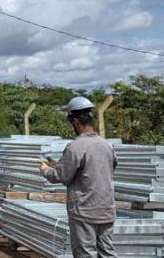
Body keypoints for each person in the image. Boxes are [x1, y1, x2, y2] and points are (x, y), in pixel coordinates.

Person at [39, 96, 118, 258]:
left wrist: (45, 169)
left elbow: (59, 176)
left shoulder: (75, 147)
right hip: (106, 210)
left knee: (85, 254)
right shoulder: (106, 145)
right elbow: (100, 168)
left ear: (75, 121)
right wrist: (59, 163)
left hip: (84, 212)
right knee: (107, 253)